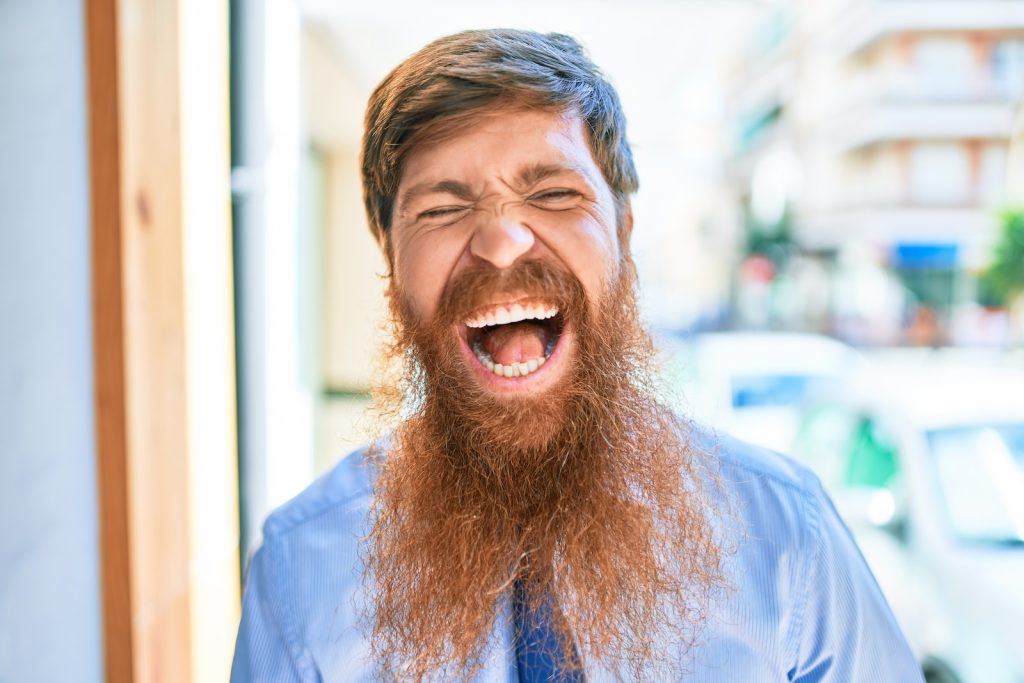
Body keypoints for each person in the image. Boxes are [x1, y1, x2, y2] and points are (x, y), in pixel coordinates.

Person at [231, 29, 923, 682]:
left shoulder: (788, 540)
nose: (501, 241)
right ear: (390, 258)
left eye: (555, 194)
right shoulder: (298, 574)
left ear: (622, 231)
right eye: (442, 208)